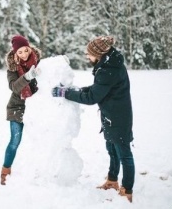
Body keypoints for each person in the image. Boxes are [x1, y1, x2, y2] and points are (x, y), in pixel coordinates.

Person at [51, 36, 135, 202]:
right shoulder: (109, 65)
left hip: (118, 118)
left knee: (124, 154)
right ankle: (112, 180)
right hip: (111, 115)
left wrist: (65, 93)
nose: (87, 57)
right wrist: (75, 90)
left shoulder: (108, 70)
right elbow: (98, 89)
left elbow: (91, 97)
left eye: (89, 54)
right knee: (112, 150)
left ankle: (127, 189)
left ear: (98, 53)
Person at [0, 35, 42, 185]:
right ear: (15, 54)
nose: (24, 54)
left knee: (43, 140)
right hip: (17, 107)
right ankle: (5, 170)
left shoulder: (39, 63)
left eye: (26, 50)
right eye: (20, 52)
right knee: (15, 140)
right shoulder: (12, 68)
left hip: (37, 107)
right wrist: (28, 76)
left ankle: (45, 170)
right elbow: (14, 87)